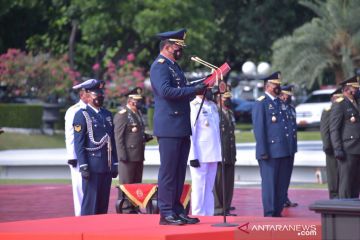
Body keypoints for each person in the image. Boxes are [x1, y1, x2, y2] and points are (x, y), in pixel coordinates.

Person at [150, 28, 206, 225]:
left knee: (179, 171)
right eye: (178, 47)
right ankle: (166, 213)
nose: (180, 50)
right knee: (169, 172)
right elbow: (166, 91)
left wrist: (200, 86)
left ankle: (177, 209)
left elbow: (182, 92)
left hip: (180, 125)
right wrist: (193, 89)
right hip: (169, 126)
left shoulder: (174, 67)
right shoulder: (160, 66)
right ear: (167, 46)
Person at [73, 79, 118, 215]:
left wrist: (115, 163)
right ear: (87, 96)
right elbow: (79, 143)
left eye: (101, 94)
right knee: (90, 204)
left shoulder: (107, 115)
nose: (99, 97)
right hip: (92, 166)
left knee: (102, 205)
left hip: (106, 165)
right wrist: (83, 165)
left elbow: (112, 141)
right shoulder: (82, 115)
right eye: (95, 94)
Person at [252, 71, 291, 217]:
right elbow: (259, 129)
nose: (278, 87)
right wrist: (263, 151)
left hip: (283, 150)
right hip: (269, 151)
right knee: (270, 185)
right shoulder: (261, 103)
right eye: (275, 85)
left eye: (279, 85)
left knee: (281, 185)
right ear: (267, 86)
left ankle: (278, 211)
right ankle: (269, 213)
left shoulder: (280, 103)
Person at [113, 87, 153, 213]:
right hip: (128, 156)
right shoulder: (123, 115)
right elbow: (118, 137)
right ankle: (126, 207)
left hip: (138, 154)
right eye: (136, 100)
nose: (139, 103)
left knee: (136, 184)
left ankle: (134, 206)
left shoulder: (137, 113)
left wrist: (147, 136)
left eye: (139, 100)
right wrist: (122, 155)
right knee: (127, 184)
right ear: (130, 101)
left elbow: (136, 133)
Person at [188, 91, 221, 216]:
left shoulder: (212, 106)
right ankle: (198, 214)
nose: (211, 92)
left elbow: (216, 131)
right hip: (200, 154)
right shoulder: (193, 106)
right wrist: (192, 155)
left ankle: (209, 214)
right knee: (199, 188)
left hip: (213, 152)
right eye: (208, 89)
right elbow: (192, 132)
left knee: (209, 187)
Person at [64, 79, 92, 216]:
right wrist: (72, 156)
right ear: (82, 95)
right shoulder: (74, 111)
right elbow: (70, 135)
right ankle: (80, 217)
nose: (93, 96)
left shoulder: (95, 110)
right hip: (79, 156)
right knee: (80, 187)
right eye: (89, 94)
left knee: (91, 188)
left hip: (93, 155)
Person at [329, 76, 360, 199]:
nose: (357, 90)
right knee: (346, 183)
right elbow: (334, 129)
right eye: (355, 87)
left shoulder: (357, 102)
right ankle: (344, 209)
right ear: (347, 89)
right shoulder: (340, 105)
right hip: (347, 149)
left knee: (356, 183)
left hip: (358, 148)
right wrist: (337, 149)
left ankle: (353, 210)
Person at [213, 91, 237, 216]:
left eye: (229, 98)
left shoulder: (230, 113)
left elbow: (231, 136)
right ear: (218, 98)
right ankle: (218, 208)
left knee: (228, 182)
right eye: (225, 98)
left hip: (230, 153)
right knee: (218, 183)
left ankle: (226, 207)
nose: (228, 100)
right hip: (219, 153)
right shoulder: (215, 113)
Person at [320, 88, 342, 199]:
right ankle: (334, 198)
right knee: (334, 177)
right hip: (331, 149)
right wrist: (327, 146)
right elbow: (325, 130)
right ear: (333, 99)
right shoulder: (328, 110)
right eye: (338, 98)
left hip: (342, 147)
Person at [279, 85, 298, 208]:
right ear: (282, 95)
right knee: (281, 175)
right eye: (287, 95)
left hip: (291, 146)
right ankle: (280, 198)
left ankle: (285, 197)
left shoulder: (291, 108)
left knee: (287, 175)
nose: (289, 97)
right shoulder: (278, 108)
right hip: (282, 147)